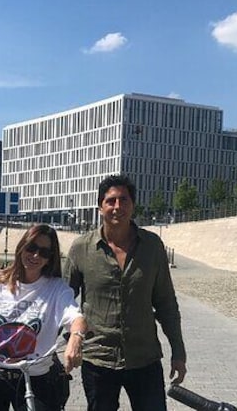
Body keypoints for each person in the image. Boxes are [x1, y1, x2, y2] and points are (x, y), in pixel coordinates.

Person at [64, 174, 186, 411]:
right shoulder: (81, 248)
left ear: (133, 205)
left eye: (124, 200)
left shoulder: (152, 246)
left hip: (144, 358)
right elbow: (63, 300)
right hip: (98, 360)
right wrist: (71, 339)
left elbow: (166, 304)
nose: (117, 207)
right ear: (100, 207)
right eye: (111, 201)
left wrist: (178, 352)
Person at [0, 224, 87, 411]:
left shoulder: (57, 288)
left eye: (44, 252)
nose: (35, 256)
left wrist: (75, 340)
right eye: (32, 248)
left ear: (50, 258)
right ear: (22, 247)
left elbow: (76, 319)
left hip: (33, 375)